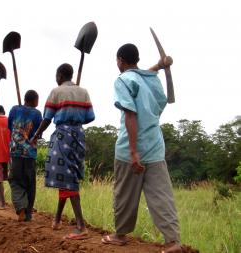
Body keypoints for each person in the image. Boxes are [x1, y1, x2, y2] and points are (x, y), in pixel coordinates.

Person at [101, 43, 181, 253]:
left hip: (130, 149)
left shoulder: (123, 80)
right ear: (136, 59)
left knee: (124, 194)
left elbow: (130, 114)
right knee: (162, 196)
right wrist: (160, 65)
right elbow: (146, 73)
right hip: (155, 147)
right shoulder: (150, 80)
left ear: (120, 60)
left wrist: (134, 152)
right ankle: (173, 242)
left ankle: (119, 235)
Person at [31, 63, 95, 240]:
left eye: (56, 75)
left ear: (60, 75)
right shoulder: (84, 92)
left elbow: (47, 118)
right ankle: (57, 219)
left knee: (68, 178)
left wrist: (36, 135)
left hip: (63, 136)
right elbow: (90, 117)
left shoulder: (56, 91)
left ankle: (81, 227)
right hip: (79, 135)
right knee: (66, 176)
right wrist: (75, 116)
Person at [8, 90, 42, 222]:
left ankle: (21, 208)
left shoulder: (14, 110)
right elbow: (39, 133)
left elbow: (10, 127)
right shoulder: (37, 114)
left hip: (15, 151)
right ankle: (28, 214)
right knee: (30, 183)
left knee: (15, 181)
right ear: (34, 100)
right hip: (30, 154)